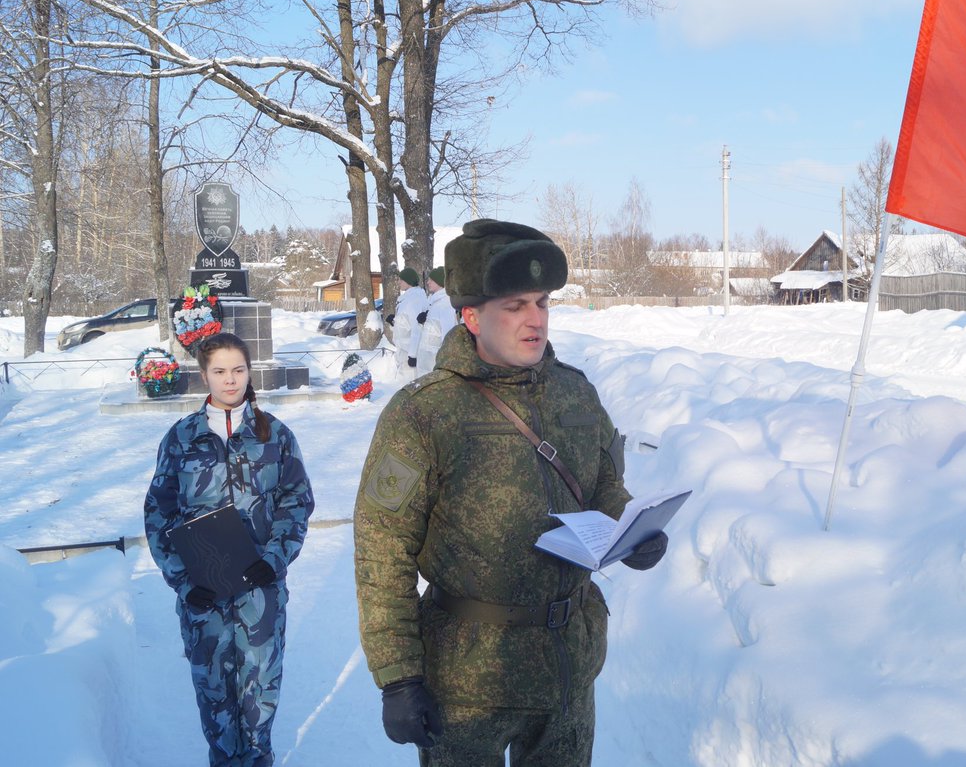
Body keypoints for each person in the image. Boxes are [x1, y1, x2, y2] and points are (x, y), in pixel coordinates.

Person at [354, 218, 668, 766]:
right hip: (468, 678)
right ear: (472, 316)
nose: (536, 320)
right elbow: (382, 550)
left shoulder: (575, 393)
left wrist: (630, 532)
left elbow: (603, 487)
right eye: (516, 305)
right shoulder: (425, 413)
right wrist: (398, 677)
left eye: (543, 303)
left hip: (567, 666)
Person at [144, 332, 315, 766]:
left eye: (238, 369)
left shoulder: (274, 433)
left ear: (249, 371)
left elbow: (296, 501)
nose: (230, 380)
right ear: (204, 375)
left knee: (260, 699)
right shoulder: (182, 438)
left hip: (260, 590)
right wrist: (183, 582)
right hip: (204, 595)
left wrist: (273, 559)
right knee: (215, 700)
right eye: (219, 371)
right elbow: (158, 513)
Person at [414, 265, 458, 377]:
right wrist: (424, 321)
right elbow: (434, 330)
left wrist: (445, 365)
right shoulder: (435, 302)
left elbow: (449, 336)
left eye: (431, 280)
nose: (428, 282)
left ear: (440, 282)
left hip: (435, 364)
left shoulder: (446, 304)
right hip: (426, 363)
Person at [393, 266, 428, 383]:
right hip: (403, 350)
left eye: (401, 280)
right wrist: (393, 321)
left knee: (409, 385)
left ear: (408, 281)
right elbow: (405, 323)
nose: (399, 282)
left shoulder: (415, 300)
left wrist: (412, 355)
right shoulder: (407, 298)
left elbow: (417, 328)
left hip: (409, 351)